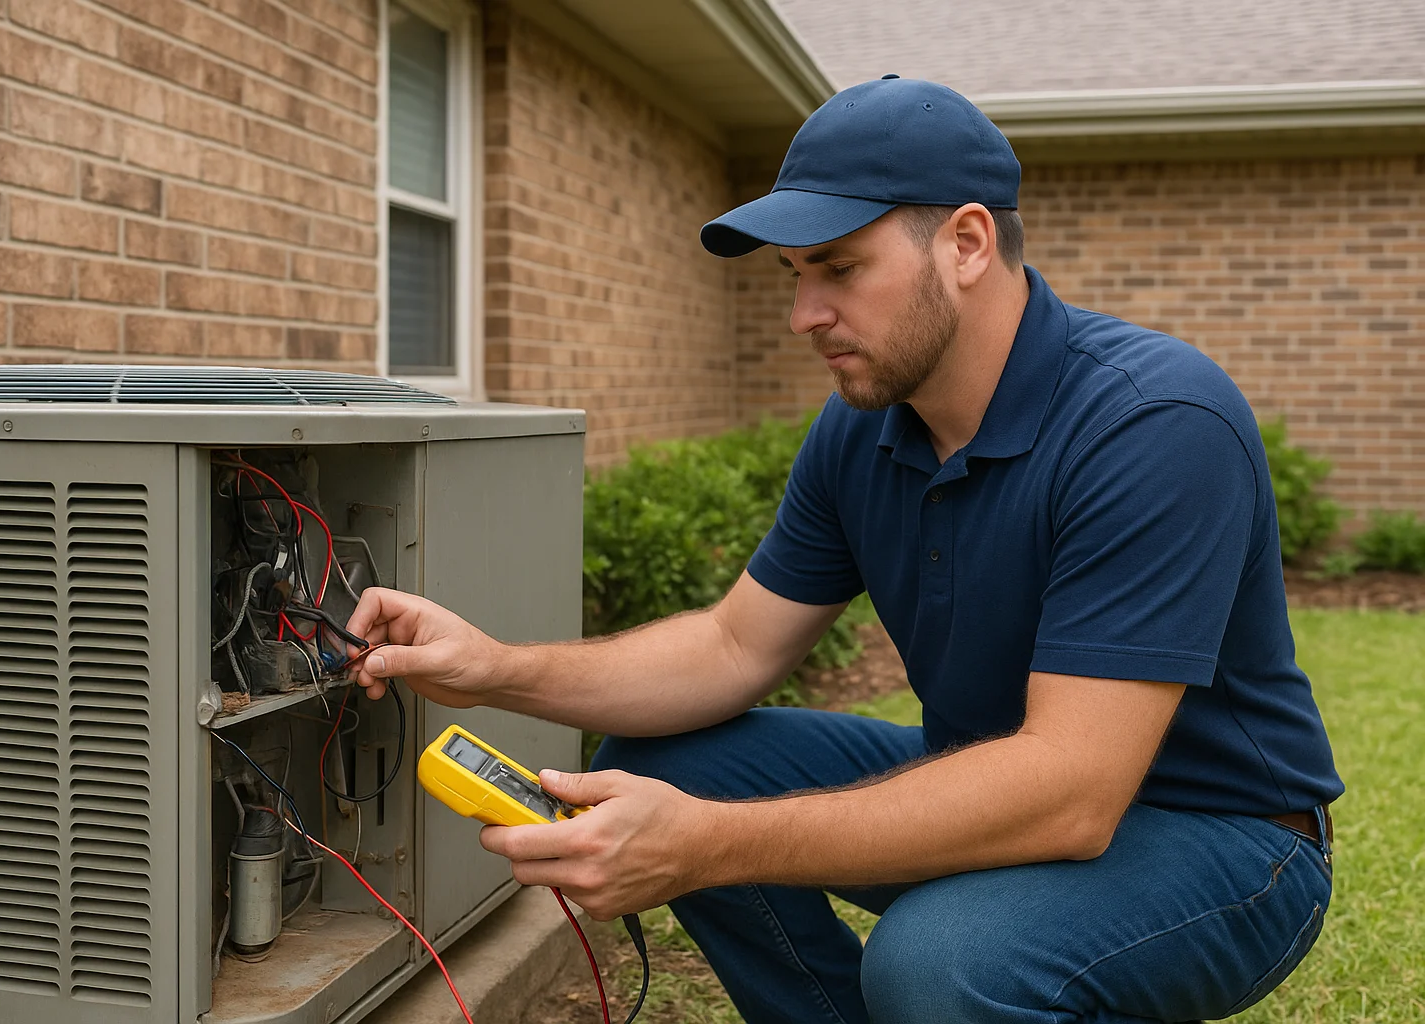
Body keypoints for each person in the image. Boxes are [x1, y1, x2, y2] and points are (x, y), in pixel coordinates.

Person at [345, 77, 1342, 1024]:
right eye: (794, 276)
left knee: (938, 957)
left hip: (1224, 839)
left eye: (839, 268)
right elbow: (733, 648)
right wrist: (493, 671)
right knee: (670, 758)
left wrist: (708, 845)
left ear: (965, 241)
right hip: (995, 776)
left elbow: (1072, 793)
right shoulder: (862, 428)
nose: (803, 316)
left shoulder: (1152, 422)